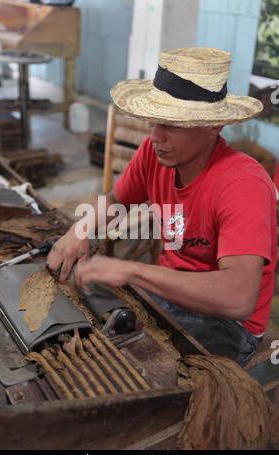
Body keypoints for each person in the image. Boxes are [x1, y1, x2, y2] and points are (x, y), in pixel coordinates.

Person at [47, 47, 277, 366]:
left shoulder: (242, 184)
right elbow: (116, 202)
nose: (155, 136)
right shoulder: (155, 154)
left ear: (213, 127)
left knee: (126, 366)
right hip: (167, 297)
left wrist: (131, 270)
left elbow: (238, 298)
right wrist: (80, 229)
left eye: (172, 125)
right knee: (78, 294)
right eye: (155, 121)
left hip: (227, 325)